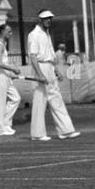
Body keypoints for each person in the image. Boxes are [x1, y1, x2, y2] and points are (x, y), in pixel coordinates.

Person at [27, 9, 79, 141]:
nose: (48, 20)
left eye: (50, 18)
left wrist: (56, 70)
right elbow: (33, 57)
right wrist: (39, 74)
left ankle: (66, 131)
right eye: (46, 18)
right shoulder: (34, 35)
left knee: (56, 98)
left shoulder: (47, 34)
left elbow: (51, 55)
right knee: (40, 100)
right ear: (40, 20)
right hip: (40, 67)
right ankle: (37, 134)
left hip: (49, 67)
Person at [0, 22, 21, 135]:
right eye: (9, 31)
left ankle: (6, 124)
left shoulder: (3, 44)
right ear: (2, 32)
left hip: (5, 76)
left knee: (16, 98)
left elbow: (3, 63)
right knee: (0, 103)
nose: (11, 34)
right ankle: (0, 129)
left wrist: (10, 73)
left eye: (11, 31)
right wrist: (12, 68)